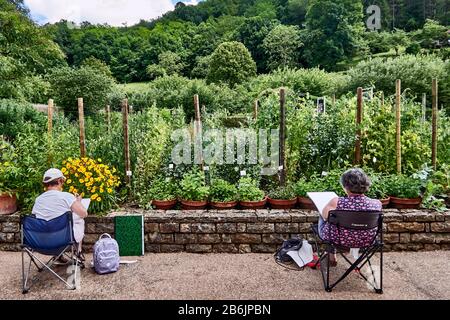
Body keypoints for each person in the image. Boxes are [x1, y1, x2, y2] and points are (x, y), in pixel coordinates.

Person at [318, 168, 382, 266]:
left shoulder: (336, 202)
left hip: (338, 240)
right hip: (367, 241)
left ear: (345, 186)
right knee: (331, 220)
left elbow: (325, 216)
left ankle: (331, 254)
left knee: (324, 216)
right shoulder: (377, 204)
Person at [32, 168, 88, 259]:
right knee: (79, 219)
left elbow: (35, 217)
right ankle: (78, 252)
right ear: (59, 181)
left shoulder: (38, 200)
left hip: (41, 241)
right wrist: (78, 202)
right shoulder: (66, 196)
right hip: (63, 240)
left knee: (51, 222)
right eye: (63, 181)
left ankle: (58, 256)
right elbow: (84, 213)